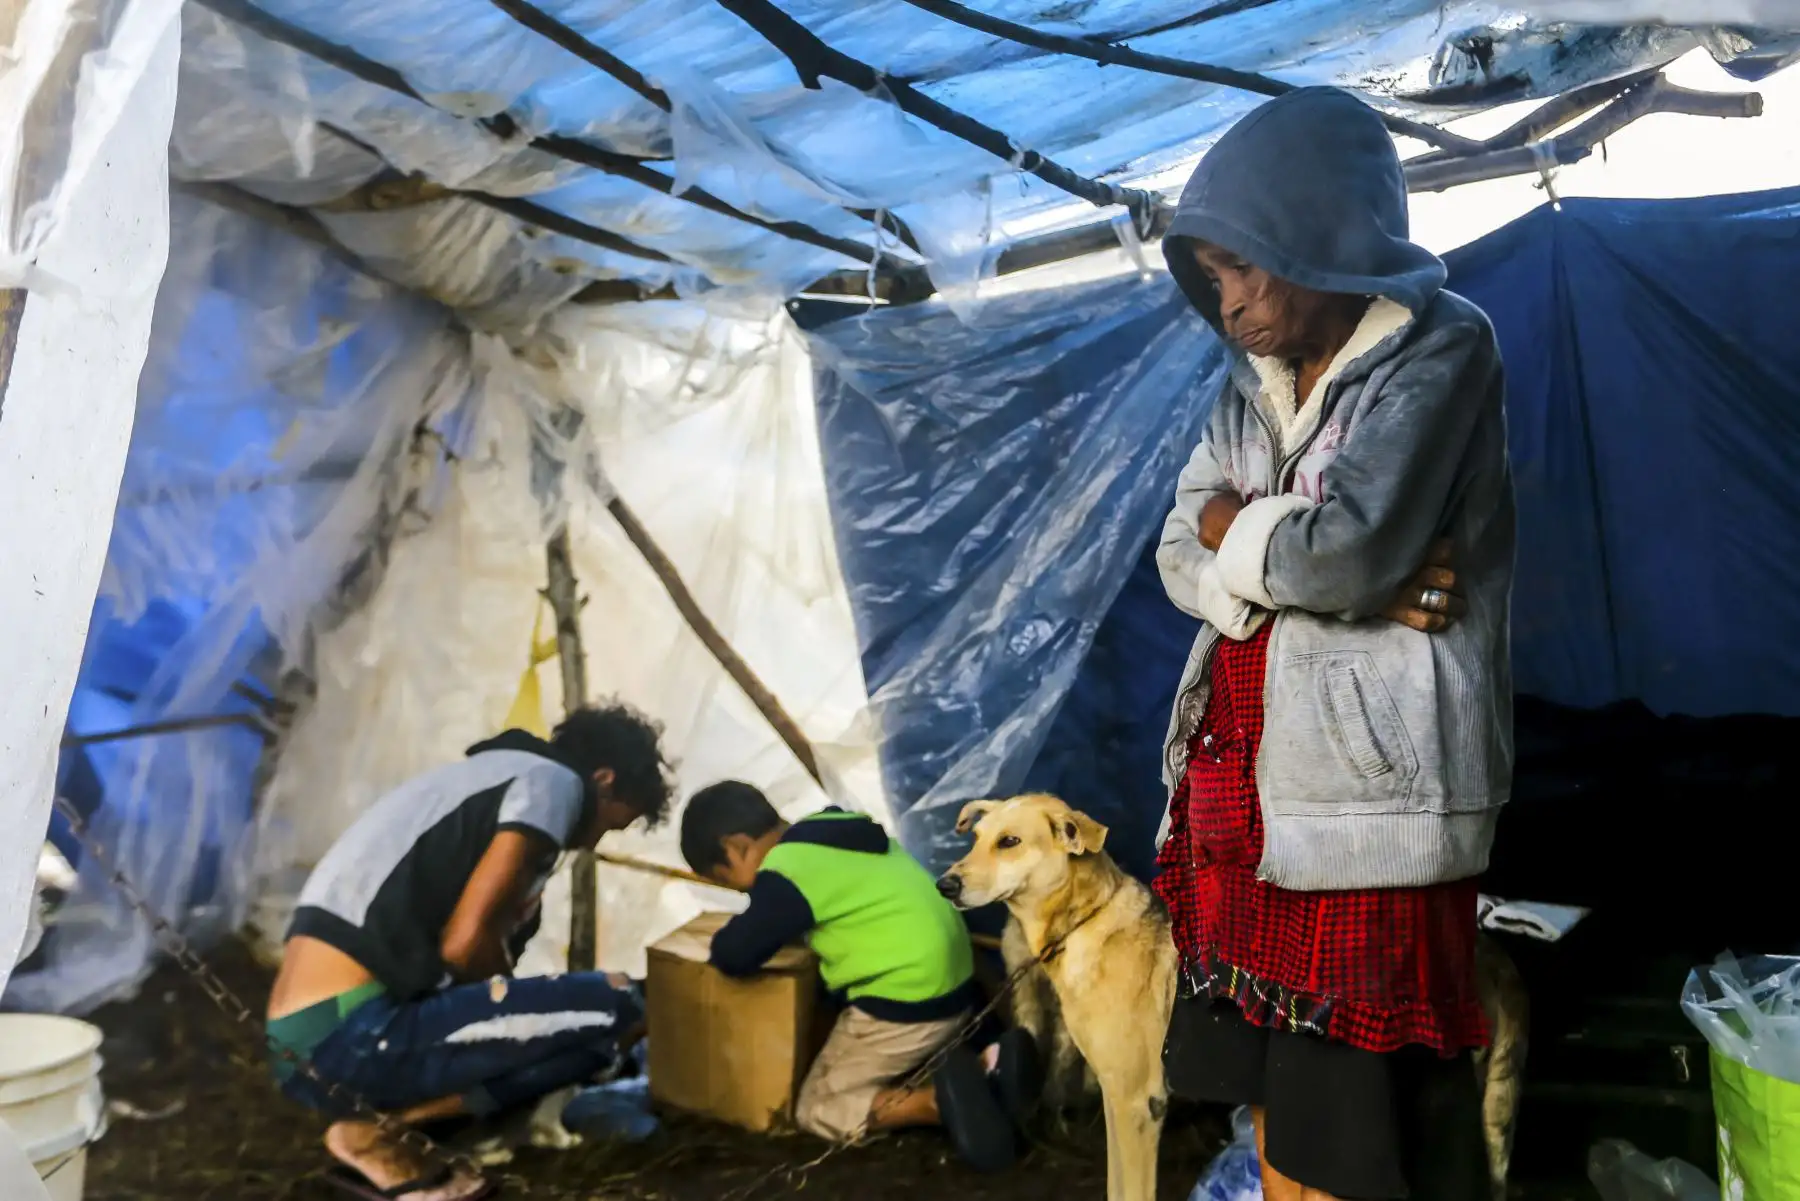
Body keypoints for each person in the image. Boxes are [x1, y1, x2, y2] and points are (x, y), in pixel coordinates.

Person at [1151, 87, 1514, 1201]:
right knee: (1271, 1092)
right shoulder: (1246, 383)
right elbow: (1177, 548)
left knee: (1361, 1125)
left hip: (1364, 795)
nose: (1230, 305)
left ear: (1322, 236)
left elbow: (1346, 554)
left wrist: (1258, 534)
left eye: (1244, 268)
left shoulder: (1438, 347)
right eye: (1211, 276)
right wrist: (1321, 569)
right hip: (1242, 782)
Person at [265, 703, 674, 1201]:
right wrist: (522, 1017)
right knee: (622, 1003)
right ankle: (377, 1136)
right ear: (603, 781)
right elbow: (465, 943)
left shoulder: (482, 779)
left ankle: (393, 1131)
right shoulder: (551, 782)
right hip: (353, 1035)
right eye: (609, 825)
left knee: (582, 1042)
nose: (591, 842)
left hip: (304, 1047)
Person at [679, 780, 1038, 1171]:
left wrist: (730, 933)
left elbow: (734, 954)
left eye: (725, 880)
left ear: (736, 848)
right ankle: (990, 1061)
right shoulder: (835, 830)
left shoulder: (787, 872)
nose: (740, 892)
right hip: (957, 986)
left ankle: (937, 1102)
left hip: (907, 1001)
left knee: (817, 1107)